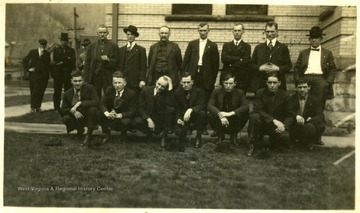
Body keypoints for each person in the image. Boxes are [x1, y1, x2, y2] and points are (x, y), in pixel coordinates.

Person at [247, 72, 292, 156]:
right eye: (270, 82)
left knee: (284, 137)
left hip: (276, 126)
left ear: (279, 83)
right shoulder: (260, 92)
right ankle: (252, 144)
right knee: (254, 116)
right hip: (262, 123)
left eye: (274, 83)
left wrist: (284, 126)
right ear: (266, 83)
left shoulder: (285, 95)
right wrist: (273, 120)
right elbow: (258, 109)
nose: (272, 85)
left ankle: (274, 143)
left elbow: (289, 114)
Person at [293, 26, 336, 112]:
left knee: (319, 103)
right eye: (312, 38)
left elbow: (333, 69)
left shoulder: (327, 53)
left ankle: (318, 123)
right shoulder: (303, 53)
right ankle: (304, 122)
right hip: (305, 79)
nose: (314, 40)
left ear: (321, 39)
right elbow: (297, 68)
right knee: (304, 102)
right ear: (309, 39)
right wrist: (298, 80)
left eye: (316, 38)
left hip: (320, 80)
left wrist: (327, 82)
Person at [59, 70, 99, 147]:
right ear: (71, 81)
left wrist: (81, 103)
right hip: (76, 117)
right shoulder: (67, 93)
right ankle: (79, 129)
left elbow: (96, 101)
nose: (78, 83)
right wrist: (72, 111)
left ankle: (88, 135)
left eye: (80, 81)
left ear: (83, 80)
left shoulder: (90, 89)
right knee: (66, 118)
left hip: (88, 115)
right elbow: (62, 110)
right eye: (75, 81)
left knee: (93, 110)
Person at [249, 21, 292, 92]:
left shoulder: (283, 48)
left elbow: (288, 66)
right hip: (261, 84)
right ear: (265, 32)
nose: (269, 34)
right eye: (267, 31)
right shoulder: (259, 48)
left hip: (278, 84)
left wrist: (278, 68)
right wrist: (260, 68)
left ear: (277, 32)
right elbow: (251, 64)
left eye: (272, 31)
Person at [208, 73, 249, 146]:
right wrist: (220, 115)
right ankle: (220, 135)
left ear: (235, 84)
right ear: (223, 83)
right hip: (220, 118)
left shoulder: (240, 92)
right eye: (226, 83)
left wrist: (231, 113)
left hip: (233, 117)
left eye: (230, 83)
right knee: (209, 114)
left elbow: (246, 106)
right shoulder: (216, 92)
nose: (228, 86)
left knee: (245, 114)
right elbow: (210, 105)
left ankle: (234, 135)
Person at [133, 76, 174, 148]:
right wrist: (148, 119)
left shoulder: (166, 94)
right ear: (156, 81)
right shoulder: (146, 90)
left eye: (163, 86)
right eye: (158, 84)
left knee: (170, 110)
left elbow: (171, 103)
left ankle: (164, 136)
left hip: (160, 120)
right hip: (148, 117)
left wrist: (170, 86)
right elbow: (140, 107)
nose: (159, 87)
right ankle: (149, 133)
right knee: (137, 121)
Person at [182, 22, 219, 103]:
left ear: (208, 31)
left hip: (206, 75)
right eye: (201, 30)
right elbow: (186, 60)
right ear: (198, 31)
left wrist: (213, 79)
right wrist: (186, 74)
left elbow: (215, 64)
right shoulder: (192, 44)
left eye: (205, 30)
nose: (202, 33)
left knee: (205, 94)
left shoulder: (213, 45)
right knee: (192, 93)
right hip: (193, 73)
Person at [98, 71, 137, 144]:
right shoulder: (109, 90)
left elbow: (132, 112)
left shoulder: (131, 94)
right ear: (112, 83)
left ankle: (123, 135)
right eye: (115, 83)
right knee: (100, 113)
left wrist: (119, 115)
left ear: (124, 83)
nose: (117, 85)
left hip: (122, 117)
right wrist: (107, 113)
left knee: (126, 122)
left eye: (119, 83)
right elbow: (102, 103)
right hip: (111, 116)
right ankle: (107, 134)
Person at [289, 78, 325, 150]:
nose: (302, 90)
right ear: (296, 88)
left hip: (308, 124)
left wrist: (311, 119)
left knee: (310, 127)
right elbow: (288, 111)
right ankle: (294, 141)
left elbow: (320, 115)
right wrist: (296, 116)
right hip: (296, 124)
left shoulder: (315, 100)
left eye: (304, 87)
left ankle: (308, 142)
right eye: (300, 87)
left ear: (309, 87)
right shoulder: (291, 99)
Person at [84, 24, 118, 98]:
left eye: (104, 33)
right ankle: (97, 109)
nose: (102, 35)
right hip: (95, 76)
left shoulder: (113, 46)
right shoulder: (91, 46)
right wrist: (86, 78)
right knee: (95, 95)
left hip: (108, 76)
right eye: (100, 33)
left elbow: (117, 62)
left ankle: (108, 109)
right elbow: (87, 64)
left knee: (109, 95)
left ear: (107, 33)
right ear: (97, 33)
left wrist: (108, 59)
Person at [173, 73, 207, 148]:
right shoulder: (177, 92)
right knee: (179, 132)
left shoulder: (199, 91)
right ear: (181, 82)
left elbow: (201, 105)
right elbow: (176, 108)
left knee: (202, 113)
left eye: (188, 82)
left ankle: (198, 137)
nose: (186, 85)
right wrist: (178, 118)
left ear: (192, 82)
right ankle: (183, 134)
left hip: (195, 117)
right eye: (184, 82)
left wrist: (191, 109)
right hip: (183, 118)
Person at [221, 23, 251, 92]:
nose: (237, 33)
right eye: (235, 30)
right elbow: (224, 59)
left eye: (239, 30)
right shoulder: (226, 45)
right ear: (232, 31)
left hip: (241, 78)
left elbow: (245, 61)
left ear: (243, 31)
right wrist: (238, 59)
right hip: (227, 77)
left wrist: (231, 63)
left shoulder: (246, 46)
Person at [118, 25, 146, 97]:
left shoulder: (141, 50)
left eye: (132, 34)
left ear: (135, 36)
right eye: (128, 34)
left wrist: (142, 80)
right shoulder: (121, 50)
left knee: (134, 99)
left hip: (135, 82)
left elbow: (143, 66)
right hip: (123, 80)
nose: (130, 36)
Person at [22, 39, 50, 112]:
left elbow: (47, 64)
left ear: (45, 45)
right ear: (39, 45)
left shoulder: (47, 54)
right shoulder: (33, 52)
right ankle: (32, 107)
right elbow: (25, 61)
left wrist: (43, 55)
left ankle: (38, 107)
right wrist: (28, 69)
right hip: (34, 76)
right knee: (34, 91)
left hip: (43, 77)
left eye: (44, 45)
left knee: (41, 92)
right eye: (41, 45)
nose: (42, 46)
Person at [52, 33, 76, 111]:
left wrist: (62, 61)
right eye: (62, 40)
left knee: (68, 91)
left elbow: (72, 61)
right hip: (58, 74)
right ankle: (56, 108)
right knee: (57, 91)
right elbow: (56, 60)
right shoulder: (56, 50)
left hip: (67, 74)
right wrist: (66, 59)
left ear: (67, 41)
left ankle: (66, 107)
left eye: (65, 41)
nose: (63, 42)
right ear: (60, 41)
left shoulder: (71, 50)